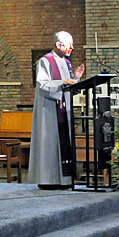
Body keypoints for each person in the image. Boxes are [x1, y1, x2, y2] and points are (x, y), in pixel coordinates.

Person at [28, 31, 85, 189]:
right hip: (49, 112)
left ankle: (63, 180)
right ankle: (48, 180)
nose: (72, 47)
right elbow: (42, 85)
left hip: (63, 110)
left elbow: (68, 86)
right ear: (59, 45)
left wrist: (77, 78)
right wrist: (62, 82)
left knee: (62, 144)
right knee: (50, 143)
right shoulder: (45, 61)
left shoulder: (66, 63)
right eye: (69, 44)